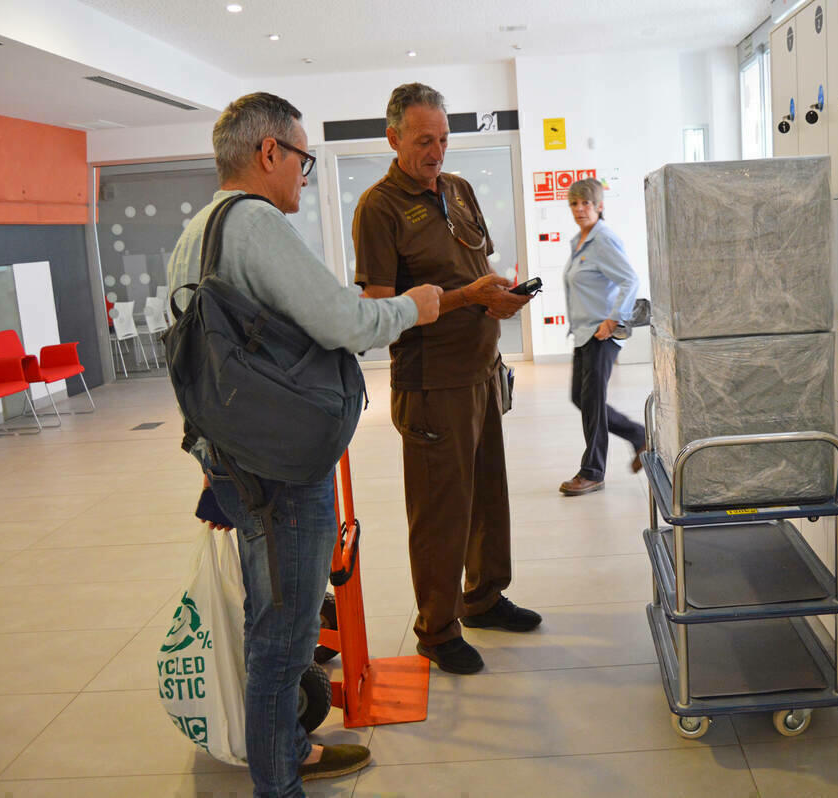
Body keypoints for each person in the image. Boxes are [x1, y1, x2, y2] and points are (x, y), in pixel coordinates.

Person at [167, 92, 442, 798]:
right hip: (283, 468)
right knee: (282, 639)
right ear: (269, 154)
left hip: (236, 456)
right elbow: (342, 319)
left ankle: (290, 747)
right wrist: (415, 307)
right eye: (301, 159)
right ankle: (279, 782)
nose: (302, 174)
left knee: (275, 616)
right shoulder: (254, 223)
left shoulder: (193, 233)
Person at [353, 82, 541, 676]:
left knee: (487, 495)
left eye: (443, 139)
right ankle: (436, 628)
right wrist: (467, 297)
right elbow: (380, 307)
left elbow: (478, 266)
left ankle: (482, 596)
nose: (436, 152)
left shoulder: (456, 189)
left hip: (481, 369)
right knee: (441, 511)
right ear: (393, 138)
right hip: (433, 384)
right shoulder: (378, 208)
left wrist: (498, 297)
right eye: (423, 141)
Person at [558, 178, 647, 497]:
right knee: (580, 399)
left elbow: (630, 280)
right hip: (584, 333)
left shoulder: (604, 239)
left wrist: (613, 320)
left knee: (592, 402)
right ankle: (639, 434)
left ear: (599, 206)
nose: (579, 209)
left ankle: (592, 472)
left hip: (602, 333)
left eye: (585, 203)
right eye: (574, 203)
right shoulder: (579, 241)